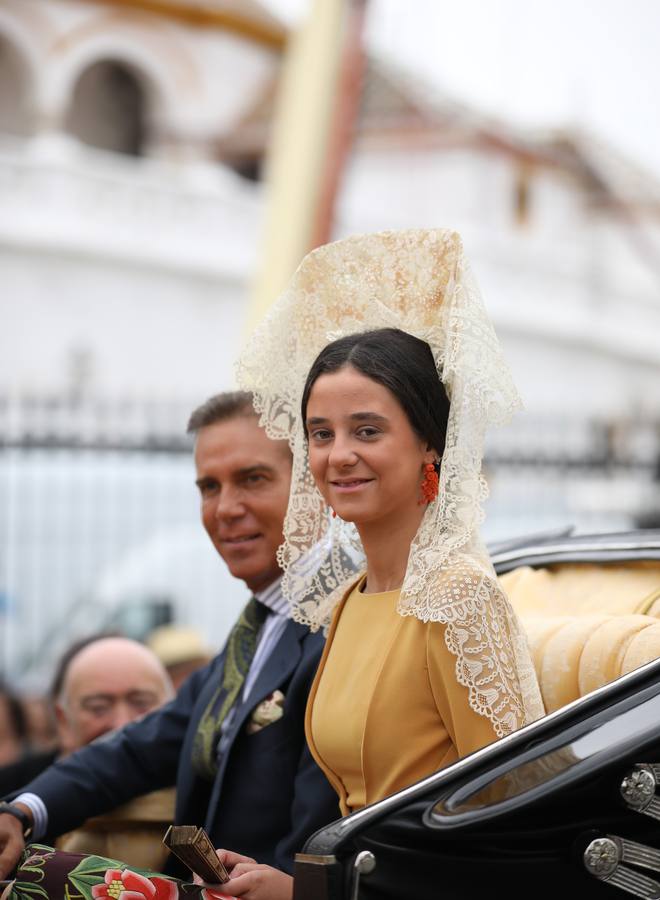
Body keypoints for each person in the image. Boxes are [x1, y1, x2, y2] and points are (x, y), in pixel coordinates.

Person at [210, 227, 545, 898]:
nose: (338, 456)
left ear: (428, 444)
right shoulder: (350, 596)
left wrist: (309, 894)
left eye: (368, 430)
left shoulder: (457, 598)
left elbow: (512, 826)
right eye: (321, 434)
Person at [0, 392, 340, 888]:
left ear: (316, 487)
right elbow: (142, 746)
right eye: (208, 486)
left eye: (252, 479)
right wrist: (23, 812)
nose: (225, 508)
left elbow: (324, 840)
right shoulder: (259, 626)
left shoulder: (342, 624)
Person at [0, 634, 174, 795]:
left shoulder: (195, 794)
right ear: (63, 722)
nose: (122, 724)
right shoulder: (14, 801)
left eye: (141, 703)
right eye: (98, 707)